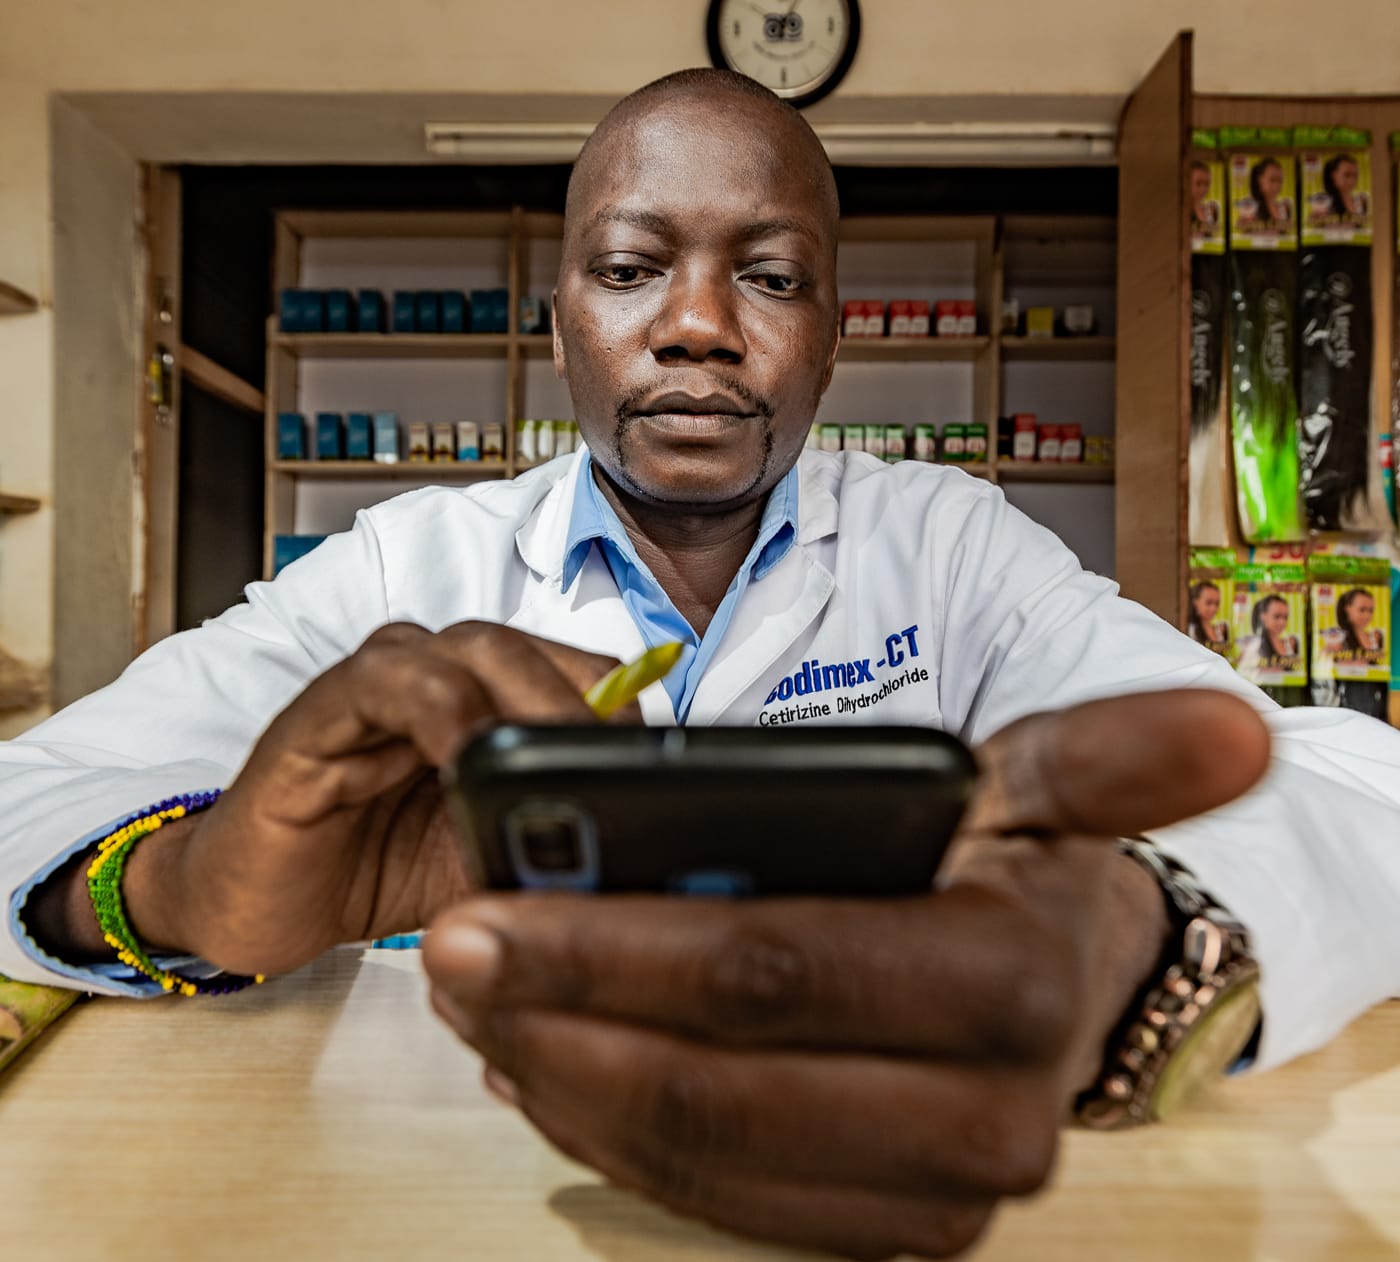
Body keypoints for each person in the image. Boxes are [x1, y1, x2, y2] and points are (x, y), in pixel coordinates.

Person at [4, 70, 1400, 1259]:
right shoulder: (399, 570)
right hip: (452, 1203)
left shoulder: (947, 546)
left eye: (772, 276)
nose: (697, 324)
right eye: (629, 268)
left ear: (836, 335)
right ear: (560, 324)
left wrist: (1143, 932)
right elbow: (29, 795)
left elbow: (1350, 781)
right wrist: (190, 883)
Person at [1236, 593, 1300, 678]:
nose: (1282, 622)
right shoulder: (1252, 646)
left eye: (1285, 617)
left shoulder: (1290, 643)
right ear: (1263, 616)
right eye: (1277, 616)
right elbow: (1242, 671)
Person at [1186, 579, 1230, 650]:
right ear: (1196, 603)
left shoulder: (1219, 631)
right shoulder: (1190, 631)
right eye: (1209, 603)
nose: (1214, 608)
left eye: (1217, 603)